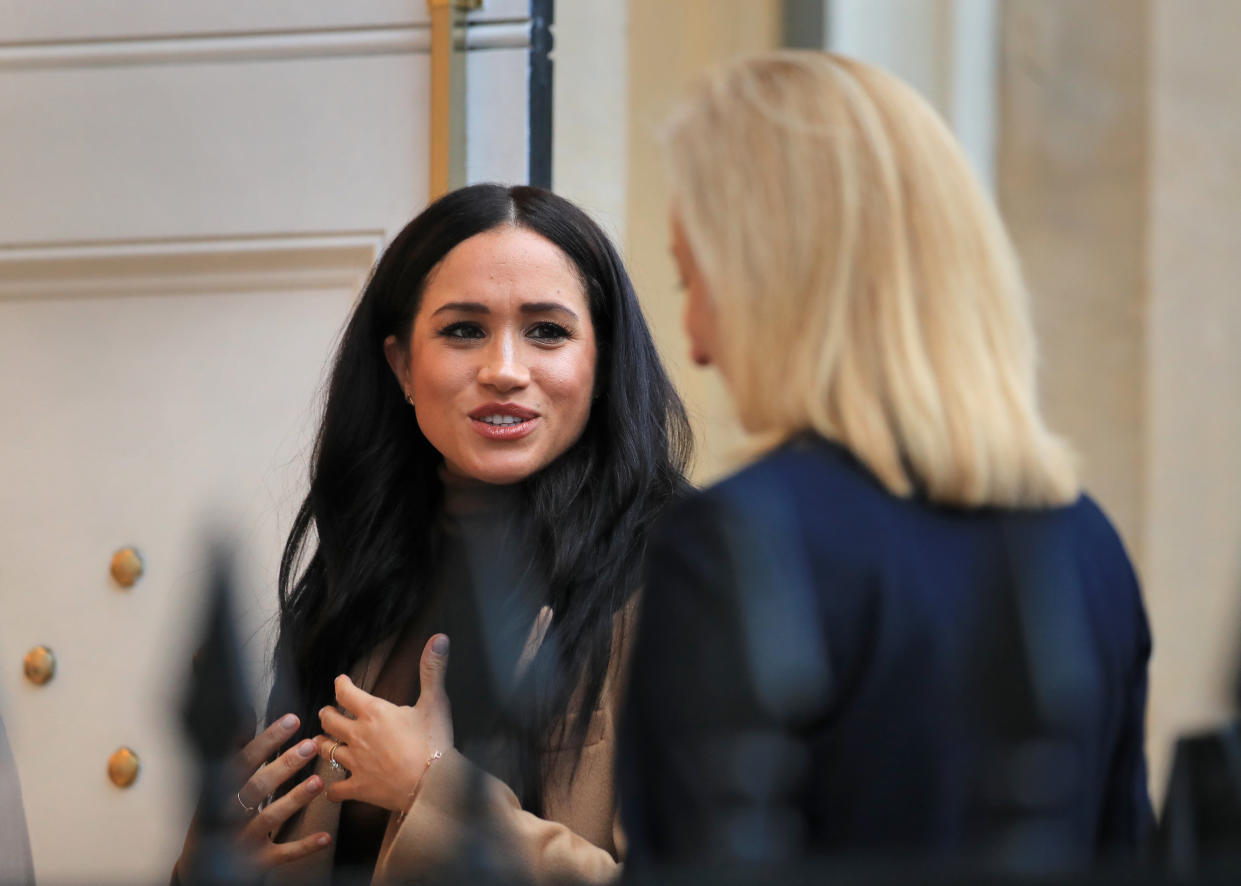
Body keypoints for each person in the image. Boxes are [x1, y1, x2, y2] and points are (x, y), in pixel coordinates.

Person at [620, 51, 1154, 874]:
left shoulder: (737, 543)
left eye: (695, 278)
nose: (691, 342)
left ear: (776, 280)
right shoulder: (1085, 543)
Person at [175, 184, 691, 885]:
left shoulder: (678, 570)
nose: (504, 370)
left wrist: (432, 786)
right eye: (462, 330)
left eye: (547, 330)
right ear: (401, 368)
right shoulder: (359, 568)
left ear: (600, 365)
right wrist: (218, 858)